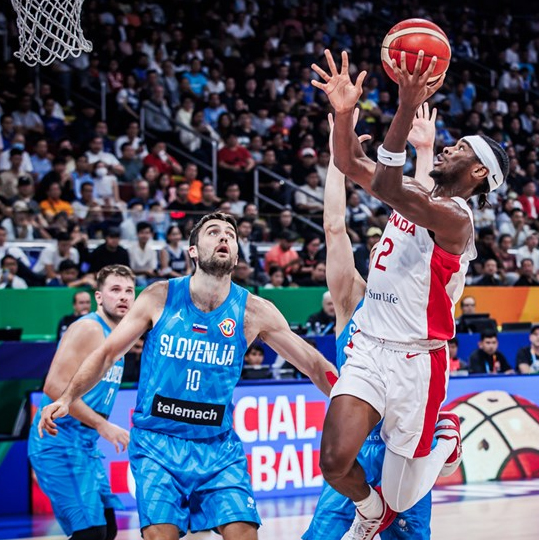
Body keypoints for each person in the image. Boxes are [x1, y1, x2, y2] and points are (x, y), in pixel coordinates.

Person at [38, 212, 339, 540]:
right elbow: (108, 353)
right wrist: (67, 397)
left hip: (218, 447)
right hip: (157, 443)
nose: (224, 237)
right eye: (213, 232)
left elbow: (312, 363)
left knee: (244, 534)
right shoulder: (159, 296)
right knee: (160, 535)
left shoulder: (254, 311)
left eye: (230, 234)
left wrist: (352, 402)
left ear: (236, 254)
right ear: (193, 251)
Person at [315, 49, 507, 537]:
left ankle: (445, 437)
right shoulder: (422, 199)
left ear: (479, 172)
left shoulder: (456, 219)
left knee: (403, 495)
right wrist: (341, 115)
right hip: (370, 347)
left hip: (418, 364)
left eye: (459, 148)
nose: (446, 149)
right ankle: (369, 510)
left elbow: (385, 183)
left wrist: (405, 105)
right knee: (335, 463)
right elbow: (348, 160)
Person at [304, 108, 436, 540]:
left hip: (406, 443)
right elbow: (333, 227)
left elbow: (424, 217)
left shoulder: (421, 293)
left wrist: (425, 154)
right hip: (359, 448)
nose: (393, 245)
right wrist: (336, 158)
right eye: (385, 242)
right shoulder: (351, 295)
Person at [29, 265, 136, 540]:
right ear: (98, 297)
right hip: (58, 440)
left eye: (128, 291)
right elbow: (53, 387)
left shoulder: (120, 335)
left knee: (108, 527)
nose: (123, 296)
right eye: (115, 290)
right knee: (91, 533)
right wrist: (103, 425)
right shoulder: (88, 327)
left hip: (83, 445)